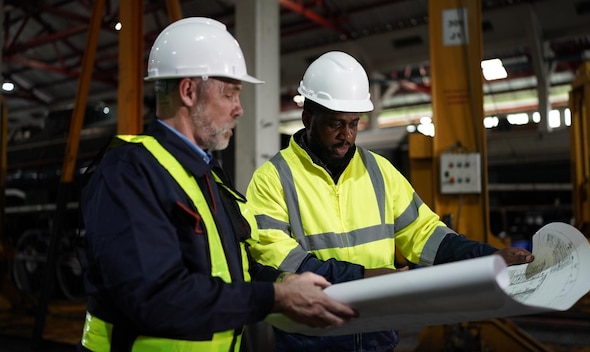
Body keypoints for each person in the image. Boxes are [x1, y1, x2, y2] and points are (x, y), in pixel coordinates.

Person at [77, 19, 357, 352]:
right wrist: (277, 297)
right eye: (230, 94)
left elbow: (228, 273)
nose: (239, 109)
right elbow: (154, 298)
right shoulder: (129, 173)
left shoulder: (205, 177)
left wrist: (284, 282)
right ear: (188, 91)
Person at [245, 50, 535, 352]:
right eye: (335, 124)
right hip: (312, 340)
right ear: (308, 118)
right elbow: (278, 262)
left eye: (354, 124)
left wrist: (489, 257)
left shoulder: (380, 171)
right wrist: (365, 278)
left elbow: (427, 237)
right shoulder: (273, 179)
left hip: (376, 337)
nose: (346, 135)